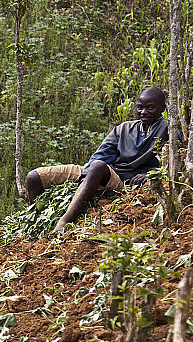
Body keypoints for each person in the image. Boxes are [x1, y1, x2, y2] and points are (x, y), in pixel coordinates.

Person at [26, 87, 170, 233]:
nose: (143, 112)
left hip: (121, 180)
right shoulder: (124, 128)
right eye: (140, 107)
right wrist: (85, 178)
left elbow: (171, 163)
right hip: (99, 171)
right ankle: (34, 221)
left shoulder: (168, 130)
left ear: (162, 108)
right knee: (34, 177)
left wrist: (150, 174)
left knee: (97, 167)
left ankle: (63, 221)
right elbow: (101, 154)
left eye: (150, 108)